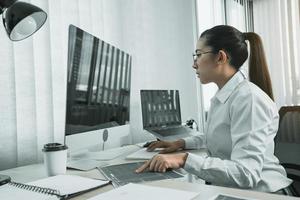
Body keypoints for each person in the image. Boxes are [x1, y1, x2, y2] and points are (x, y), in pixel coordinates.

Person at [135, 25, 293, 194]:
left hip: (262, 193)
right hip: (236, 190)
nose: (194, 64)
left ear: (220, 57)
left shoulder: (248, 100)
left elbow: (246, 173)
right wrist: (181, 144)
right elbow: (221, 136)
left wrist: (183, 159)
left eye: (198, 55)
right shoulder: (227, 95)